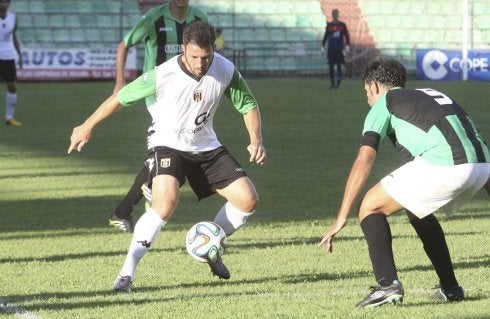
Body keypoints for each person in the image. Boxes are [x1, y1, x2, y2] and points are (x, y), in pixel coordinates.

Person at [68, 21, 266, 292]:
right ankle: (126, 273)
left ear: (213, 50)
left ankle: (208, 244)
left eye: (206, 57)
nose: (200, 63)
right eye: (194, 56)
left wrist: (256, 139)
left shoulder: (225, 69)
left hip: (206, 146)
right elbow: (120, 98)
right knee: (165, 204)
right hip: (167, 144)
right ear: (184, 48)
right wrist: (87, 126)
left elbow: (248, 104)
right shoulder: (163, 74)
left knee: (248, 200)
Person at [319, 58, 490, 308]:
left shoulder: (383, 104)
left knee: (370, 206)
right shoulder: (432, 94)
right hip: (482, 165)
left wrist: (341, 216)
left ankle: (387, 285)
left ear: (374, 85)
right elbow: (470, 138)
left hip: (447, 165)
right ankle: (451, 288)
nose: (367, 97)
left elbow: (364, 161)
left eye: (366, 90)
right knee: (416, 208)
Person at [109, 0, 209, 233]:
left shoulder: (200, 17)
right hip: (158, 93)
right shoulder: (154, 18)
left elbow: (208, 51)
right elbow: (123, 45)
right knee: (179, 144)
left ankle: (124, 209)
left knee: (180, 145)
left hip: (188, 93)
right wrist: (120, 82)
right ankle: (149, 188)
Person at [0, 0, 22, 126]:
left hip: (8, 57)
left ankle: (9, 117)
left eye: (6, 2)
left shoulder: (13, 17)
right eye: (1, 2)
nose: (3, 5)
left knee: (12, 87)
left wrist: (19, 53)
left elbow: (13, 36)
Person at [321, 9, 349, 90]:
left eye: (336, 13)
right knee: (331, 66)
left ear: (338, 15)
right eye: (334, 13)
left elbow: (346, 36)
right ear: (332, 15)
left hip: (339, 49)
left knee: (339, 65)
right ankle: (332, 83)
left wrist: (347, 46)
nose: (335, 15)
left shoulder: (342, 25)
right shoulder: (329, 25)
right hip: (331, 49)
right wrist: (322, 46)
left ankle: (338, 83)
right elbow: (326, 36)